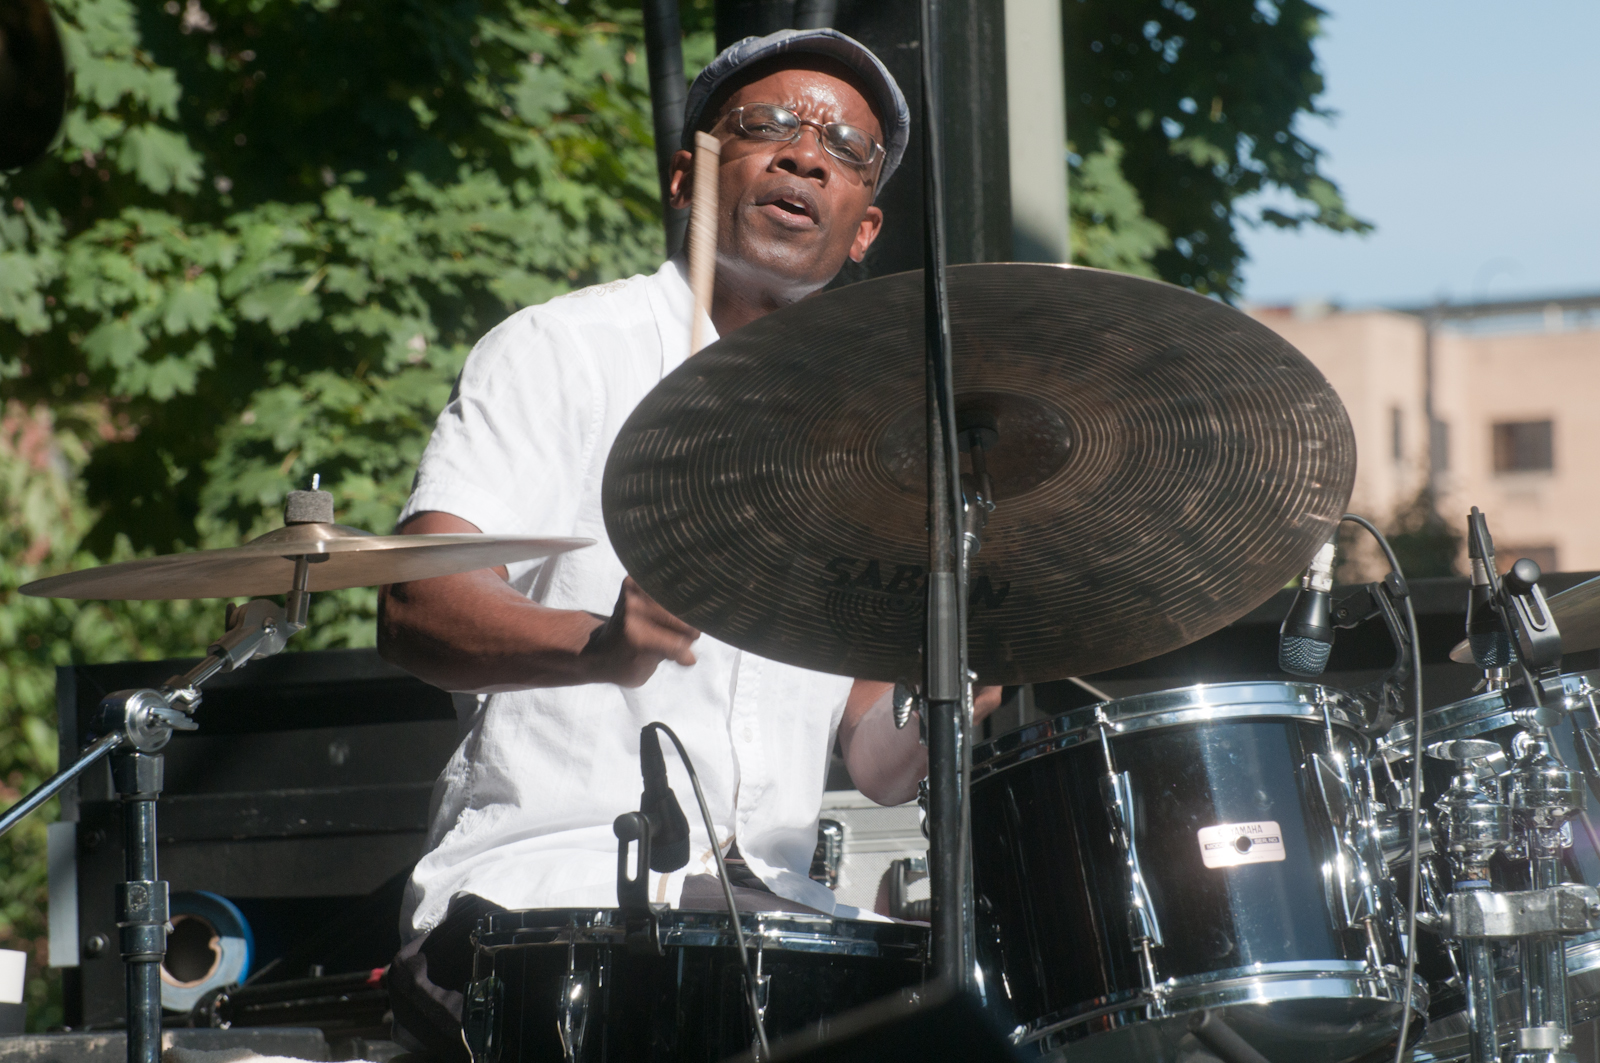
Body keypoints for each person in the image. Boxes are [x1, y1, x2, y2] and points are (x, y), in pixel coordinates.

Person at [375, 28, 998, 1058]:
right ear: (685, 176)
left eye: (845, 148)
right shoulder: (561, 347)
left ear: (864, 232)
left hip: (780, 919)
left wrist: (971, 673)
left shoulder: (859, 437)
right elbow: (414, 608)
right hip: (550, 900)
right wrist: (598, 647)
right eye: (767, 128)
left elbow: (880, 763)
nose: (806, 154)